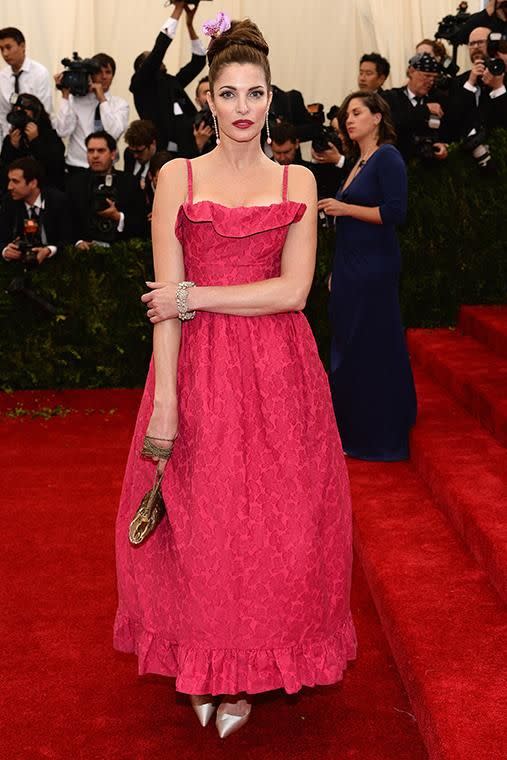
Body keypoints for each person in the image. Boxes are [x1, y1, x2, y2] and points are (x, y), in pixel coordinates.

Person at [114, 16, 356, 740]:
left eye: (255, 92)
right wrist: (164, 402)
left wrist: (194, 296)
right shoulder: (175, 178)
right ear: (208, 102)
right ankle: (205, 663)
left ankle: (249, 674)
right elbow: (163, 307)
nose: (244, 107)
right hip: (197, 369)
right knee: (204, 527)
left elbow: (291, 292)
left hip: (282, 374)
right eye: (228, 93)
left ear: (271, 96)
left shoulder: (298, 178)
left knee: (275, 531)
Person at [318, 91, 416, 461]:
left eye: (357, 113)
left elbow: (395, 213)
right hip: (350, 267)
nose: (349, 120)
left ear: (377, 117)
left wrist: (344, 207)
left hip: (374, 267)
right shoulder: (359, 162)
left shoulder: (387, 156)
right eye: (346, 115)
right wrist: (336, 271)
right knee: (350, 345)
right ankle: (354, 427)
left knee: (370, 346)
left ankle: (379, 434)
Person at [130, 2, 206, 157]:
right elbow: (159, 50)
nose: (158, 61)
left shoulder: (170, 82)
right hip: (165, 155)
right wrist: (178, 9)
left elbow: (198, 61)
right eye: (150, 59)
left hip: (193, 148)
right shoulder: (141, 85)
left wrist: (189, 25)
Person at [66, 130, 146, 248]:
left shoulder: (130, 182)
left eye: (101, 150)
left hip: (122, 253)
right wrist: (78, 242)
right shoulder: (75, 183)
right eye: (90, 151)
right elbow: (67, 220)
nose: (95, 155)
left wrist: (118, 217)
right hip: (84, 254)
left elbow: (141, 222)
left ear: (113, 154)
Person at [53, 53, 129, 171]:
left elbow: (113, 134)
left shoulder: (120, 104)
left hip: (106, 168)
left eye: (108, 72)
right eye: (99, 72)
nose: (104, 77)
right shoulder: (75, 100)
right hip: (76, 166)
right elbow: (62, 131)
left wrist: (102, 100)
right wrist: (65, 96)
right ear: (91, 75)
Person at [1, 157, 70, 264]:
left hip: (56, 265)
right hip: (18, 266)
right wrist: (5, 250)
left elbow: (69, 237)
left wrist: (49, 250)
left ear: (33, 183)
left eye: (15, 181)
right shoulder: (9, 201)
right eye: (9, 180)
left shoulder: (58, 201)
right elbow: (2, 236)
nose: (9, 187)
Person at [383, 52, 449, 162]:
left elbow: (446, 130)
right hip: (399, 161)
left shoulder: (437, 100)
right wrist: (425, 110)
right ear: (411, 72)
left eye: (434, 78)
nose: (430, 82)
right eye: (426, 76)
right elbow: (395, 122)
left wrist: (442, 145)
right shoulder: (391, 97)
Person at [446, 27, 507, 141]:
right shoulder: (460, 81)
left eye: (480, 42)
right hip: (465, 151)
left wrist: (498, 88)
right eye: (471, 43)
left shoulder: (502, 76)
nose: (475, 47)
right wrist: (470, 84)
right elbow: (452, 121)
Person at [0, 93, 65, 190]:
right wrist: (12, 147)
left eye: (24, 111)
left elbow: (55, 167)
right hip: (18, 192)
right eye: (16, 110)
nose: (20, 114)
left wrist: (35, 141)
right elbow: (5, 171)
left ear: (36, 114)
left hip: (46, 190)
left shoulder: (50, 136)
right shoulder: (11, 139)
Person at [0, 27, 52, 143]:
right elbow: (3, 114)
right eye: (1, 49)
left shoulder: (39, 73)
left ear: (22, 46)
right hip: (12, 140)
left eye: (8, 47)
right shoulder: (2, 76)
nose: (5, 54)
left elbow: (44, 110)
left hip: (36, 137)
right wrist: (8, 140)